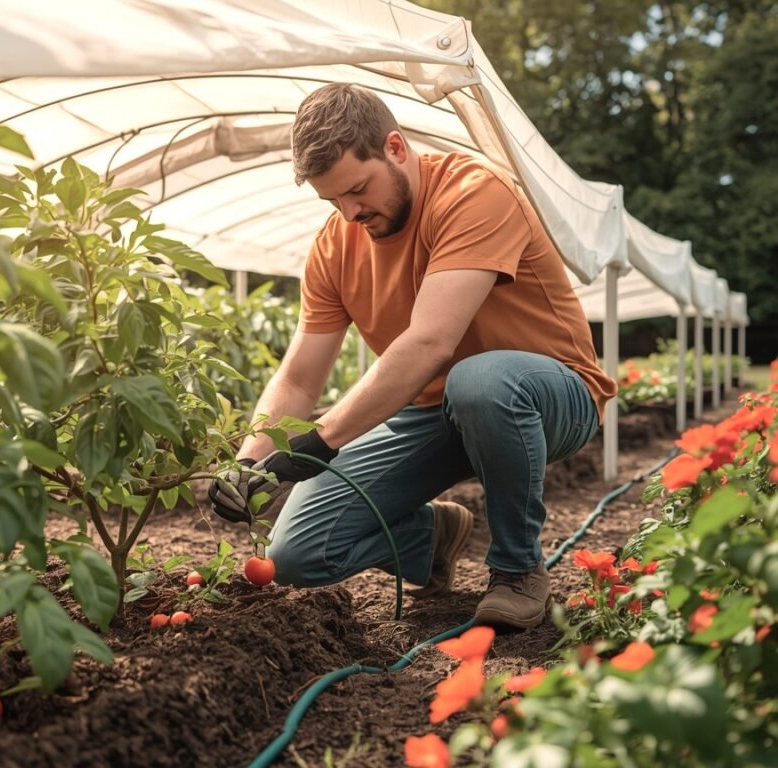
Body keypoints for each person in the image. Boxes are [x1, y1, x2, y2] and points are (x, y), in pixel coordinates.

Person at [209, 83, 616, 630]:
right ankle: (433, 538)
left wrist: (319, 443)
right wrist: (248, 462)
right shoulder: (335, 246)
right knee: (297, 555)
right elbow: (301, 378)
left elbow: (431, 342)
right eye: (333, 201)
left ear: (395, 148)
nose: (350, 212)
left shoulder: (474, 194)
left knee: (480, 381)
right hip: (432, 412)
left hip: (549, 396)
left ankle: (518, 571)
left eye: (357, 190)